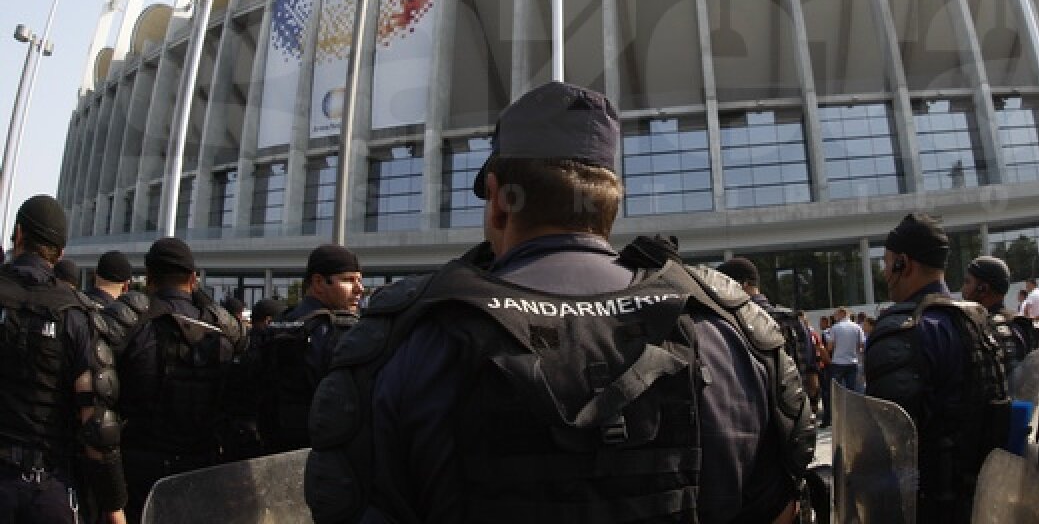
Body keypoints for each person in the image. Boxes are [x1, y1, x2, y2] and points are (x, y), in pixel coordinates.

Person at [305, 81, 814, 523]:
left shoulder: (413, 337)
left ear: (500, 200)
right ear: (610, 202)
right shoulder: (723, 327)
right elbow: (780, 508)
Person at [865, 212, 1009, 524]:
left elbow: (887, 445)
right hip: (983, 502)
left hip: (927, 508)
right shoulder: (978, 320)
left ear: (903, 263)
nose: (885, 272)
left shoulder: (902, 330)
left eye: (887, 262)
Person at [0, 195, 126, 523]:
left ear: (18, 234)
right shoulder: (77, 315)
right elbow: (96, 421)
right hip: (47, 487)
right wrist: (114, 505)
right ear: (61, 252)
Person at [113, 237, 244, 523]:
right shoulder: (219, 334)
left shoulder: (133, 327)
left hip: (139, 474)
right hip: (201, 471)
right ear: (193, 279)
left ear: (149, 278)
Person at [257, 245, 361, 454]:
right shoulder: (341, 330)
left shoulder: (279, 324)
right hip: (326, 452)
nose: (359, 289)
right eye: (348, 280)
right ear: (318, 282)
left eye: (359, 280)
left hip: (274, 451)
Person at [716, 256, 819, 408]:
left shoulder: (729, 322)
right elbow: (811, 373)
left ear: (742, 284)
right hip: (793, 409)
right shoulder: (792, 320)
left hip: (752, 410)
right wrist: (811, 406)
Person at [221, 298, 287, 462]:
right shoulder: (271, 349)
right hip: (260, 431)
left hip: (233, 429)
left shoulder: (238, 343)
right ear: (269, 321)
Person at [960, 255, 1034, 378]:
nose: (963, 289)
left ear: (983, 288)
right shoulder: (1019, 323)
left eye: (967, 282)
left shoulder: (979, 328)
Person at [826, 307, 864, 400]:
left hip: (838, 362)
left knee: (836, 391)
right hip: (852, 362)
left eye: (836, 314)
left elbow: (829, 347)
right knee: (851, 391)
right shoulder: (857, 327)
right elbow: (861, 345)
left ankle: (838, 408)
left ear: (842, 314)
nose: (835, 317)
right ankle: (851, 407)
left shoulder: (835, 328)